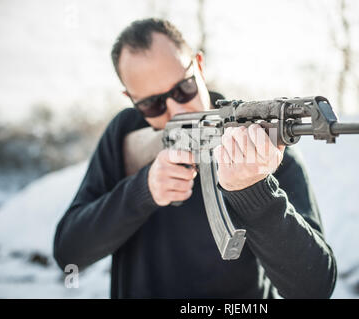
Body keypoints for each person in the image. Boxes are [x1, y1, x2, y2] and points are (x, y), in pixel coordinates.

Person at [53, 18, 337, 299]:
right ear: (131, 98)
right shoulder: (125, 134)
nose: (176, 110)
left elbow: (314, 288)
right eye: (152, 104)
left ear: (198, 66)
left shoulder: (259, 142)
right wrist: (142, 191)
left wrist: (255, 192)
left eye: (182, 89)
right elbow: (69, 255)